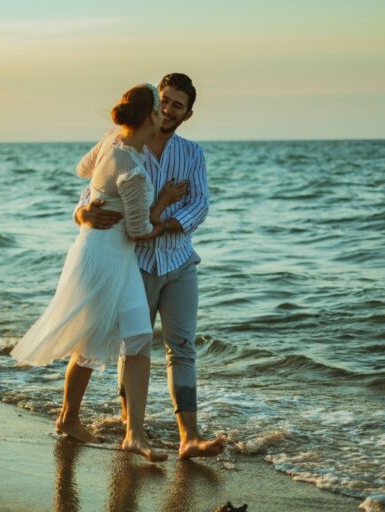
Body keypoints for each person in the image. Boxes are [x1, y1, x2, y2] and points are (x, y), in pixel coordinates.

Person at [11, 83, 177, 462]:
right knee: (90, 341)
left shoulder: (111, 142)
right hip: (104, 259)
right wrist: (163, 208)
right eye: (159, 109)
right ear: (151, 116)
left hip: (107, 254)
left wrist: (90, 202)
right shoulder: (133, 170)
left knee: (136, 338)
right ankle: (69, 418)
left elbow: (83, 169)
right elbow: (139, 231)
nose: (162, 115)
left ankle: (133, 433)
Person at [75, 73, 226, 459]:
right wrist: (83, 214)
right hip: (135, 262)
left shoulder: (191, 154)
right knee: (133, 344)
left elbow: (200, 204)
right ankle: (133, 431)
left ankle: (189, 436)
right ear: (155, 106)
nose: (170, 109)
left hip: (179, 261)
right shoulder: (125, 143)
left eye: (179, 104)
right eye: (166, 101)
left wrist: (167, 225)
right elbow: (90, 191)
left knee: (182, 347)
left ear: (188, 114)